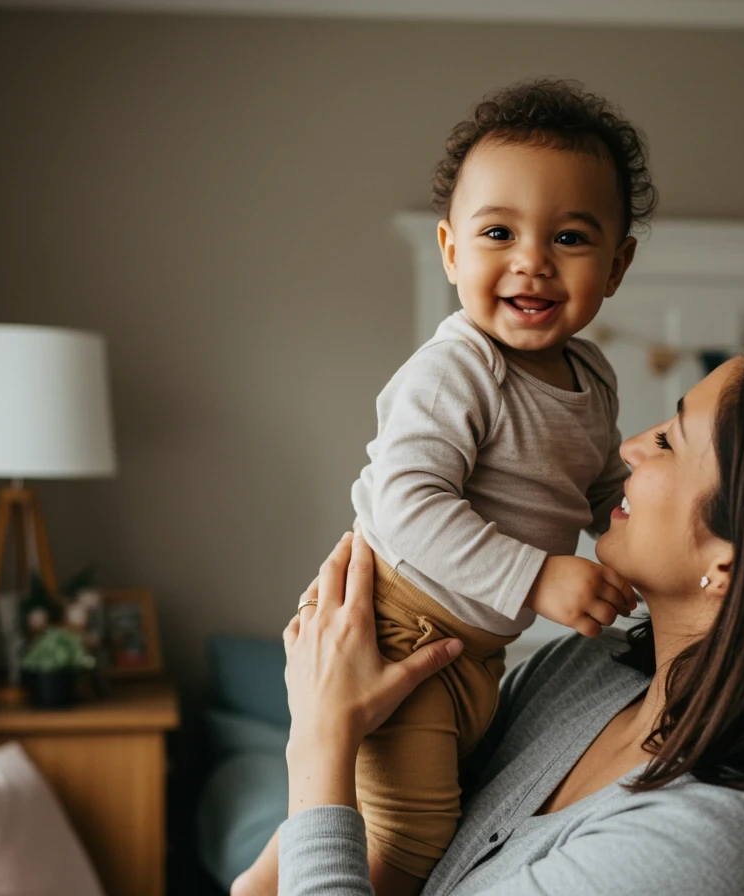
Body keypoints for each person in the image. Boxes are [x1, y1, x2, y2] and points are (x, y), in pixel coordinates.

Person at [277, 334, 744, 896]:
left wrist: (319, 744)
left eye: (668, 439)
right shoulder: (592, 672)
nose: (627, 446)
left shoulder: (708, 853)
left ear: (734, 560)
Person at [236, 78, 653, 895]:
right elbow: (407, 503)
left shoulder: (593, 376)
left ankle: (258, 886)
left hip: (473, 651)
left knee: (395, 803)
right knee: (416, 834)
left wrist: (631, 537)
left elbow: (600, 481)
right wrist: (538, 575)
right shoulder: (460, 367)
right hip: (395, 622)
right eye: (499, 231)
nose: (531, 260)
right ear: (452, 249)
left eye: (570, 236)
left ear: (617, 266)